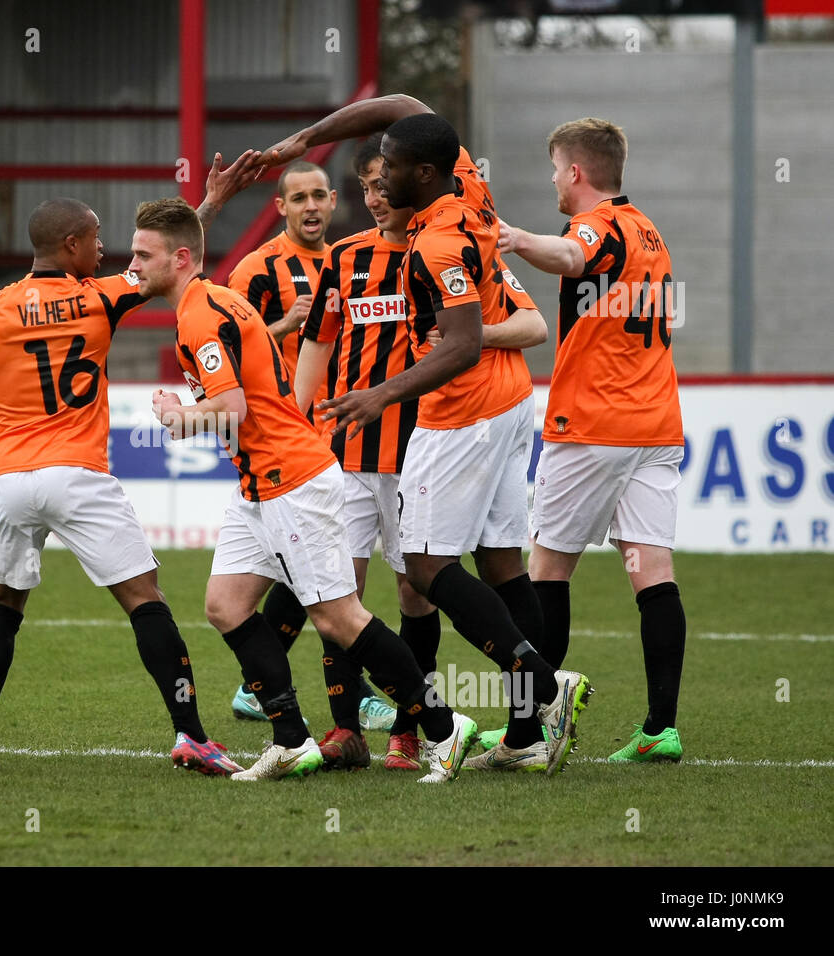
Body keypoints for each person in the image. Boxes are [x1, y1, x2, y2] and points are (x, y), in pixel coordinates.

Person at [0, 155, 259, 775]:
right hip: (78, 475)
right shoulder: (98, 300)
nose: (111, 251)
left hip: (9, 480)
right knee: (146, 600)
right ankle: (191, 734)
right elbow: (170, 260)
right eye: (96, 239)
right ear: (70, 245)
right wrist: (212, 202)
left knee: (2, 604)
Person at [266, 102, 592, 776]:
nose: (378, 180)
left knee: (423, 566)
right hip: (508, 406)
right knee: (502, 559)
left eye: (388, 169)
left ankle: (539, 680)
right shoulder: (466, 191)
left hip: (462, 412)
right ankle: (528, 734)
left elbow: (465, 343)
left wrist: (382, 392)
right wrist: (311, 136)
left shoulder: (438, 242)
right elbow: (412, 109)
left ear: (422, 173)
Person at [133, 196, 481, 783]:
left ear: (181, 257)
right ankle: (292, 740)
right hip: (260, 485)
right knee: (226, 605)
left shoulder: (199, 314)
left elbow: (230, 405)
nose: (133, 265)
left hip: (291, 480)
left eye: (143, 254)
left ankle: (445, 728)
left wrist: (178, 415)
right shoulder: (210, 301)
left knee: (339, 618)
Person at [497, 118, 686, 763]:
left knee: (548, 569)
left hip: (593, 426)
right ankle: (662, 728)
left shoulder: (596, 225)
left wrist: (515, 239)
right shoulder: (649, 231)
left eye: (555, 169)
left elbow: (574, 255)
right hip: (655, 424)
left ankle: (528, 731)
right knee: (652, 573)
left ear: (576, 172)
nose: (553, 180)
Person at [224, 160, 397, 735]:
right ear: (280, 207)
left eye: (320, 195)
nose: (312, 207)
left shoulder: (353, 258)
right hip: (289, 437)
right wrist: (281, 325)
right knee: (330, 576)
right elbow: (225, 350)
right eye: (298, 198)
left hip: (345, 428)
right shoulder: (257, 268)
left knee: (317, 572)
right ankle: (365, 699)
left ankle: (261, 688)